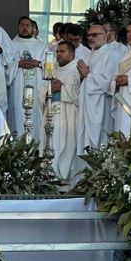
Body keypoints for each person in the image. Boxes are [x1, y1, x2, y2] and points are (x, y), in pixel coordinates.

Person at [39, 41, 80, 185]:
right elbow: (41, 91)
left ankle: (63, 179)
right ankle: (48, 176)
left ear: (72, 53)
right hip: (51, 112)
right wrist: (50, 88)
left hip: (68, 113)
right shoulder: (51, 69)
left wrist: (61, 88)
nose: (59, 54)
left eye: (63, 51)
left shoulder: (77, 70)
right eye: (57, 51)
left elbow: (80, 95)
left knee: (65, 144)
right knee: (48, 142)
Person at [76, 24, 121, 152]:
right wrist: (80, 77)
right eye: (89, 35)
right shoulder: (88, 55)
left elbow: (109, 82)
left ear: (105, 36)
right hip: (86, 104)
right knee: (84, 141)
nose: (90, 38)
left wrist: (88, 75)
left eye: (94, 35)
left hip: (101, 106)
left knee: (100, 142)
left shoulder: (112, 55)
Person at [7, 16, 46, 138]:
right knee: (19, 111)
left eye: (27, 25)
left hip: (37, 85)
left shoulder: (42, 45)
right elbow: (5, 66)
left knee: (36, 112)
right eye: (22, 25)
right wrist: (18, 64)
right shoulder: (11, 45)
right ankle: (19, 143)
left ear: (32, 27)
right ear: (18, 27)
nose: (25, 28)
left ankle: (36, 143)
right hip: (18, 86)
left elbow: (51, 64)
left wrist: (38, 63)